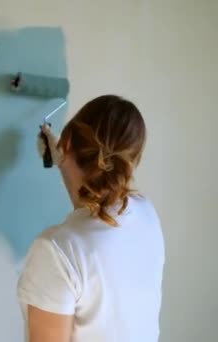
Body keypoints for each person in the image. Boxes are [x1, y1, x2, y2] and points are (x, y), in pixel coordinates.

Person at [18, 95, 165, 342]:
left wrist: (66, 160)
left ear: (67, 146)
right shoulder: (146, 213)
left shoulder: (56, 251)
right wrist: (65, 162)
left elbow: (84, 231)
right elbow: (92, 219)